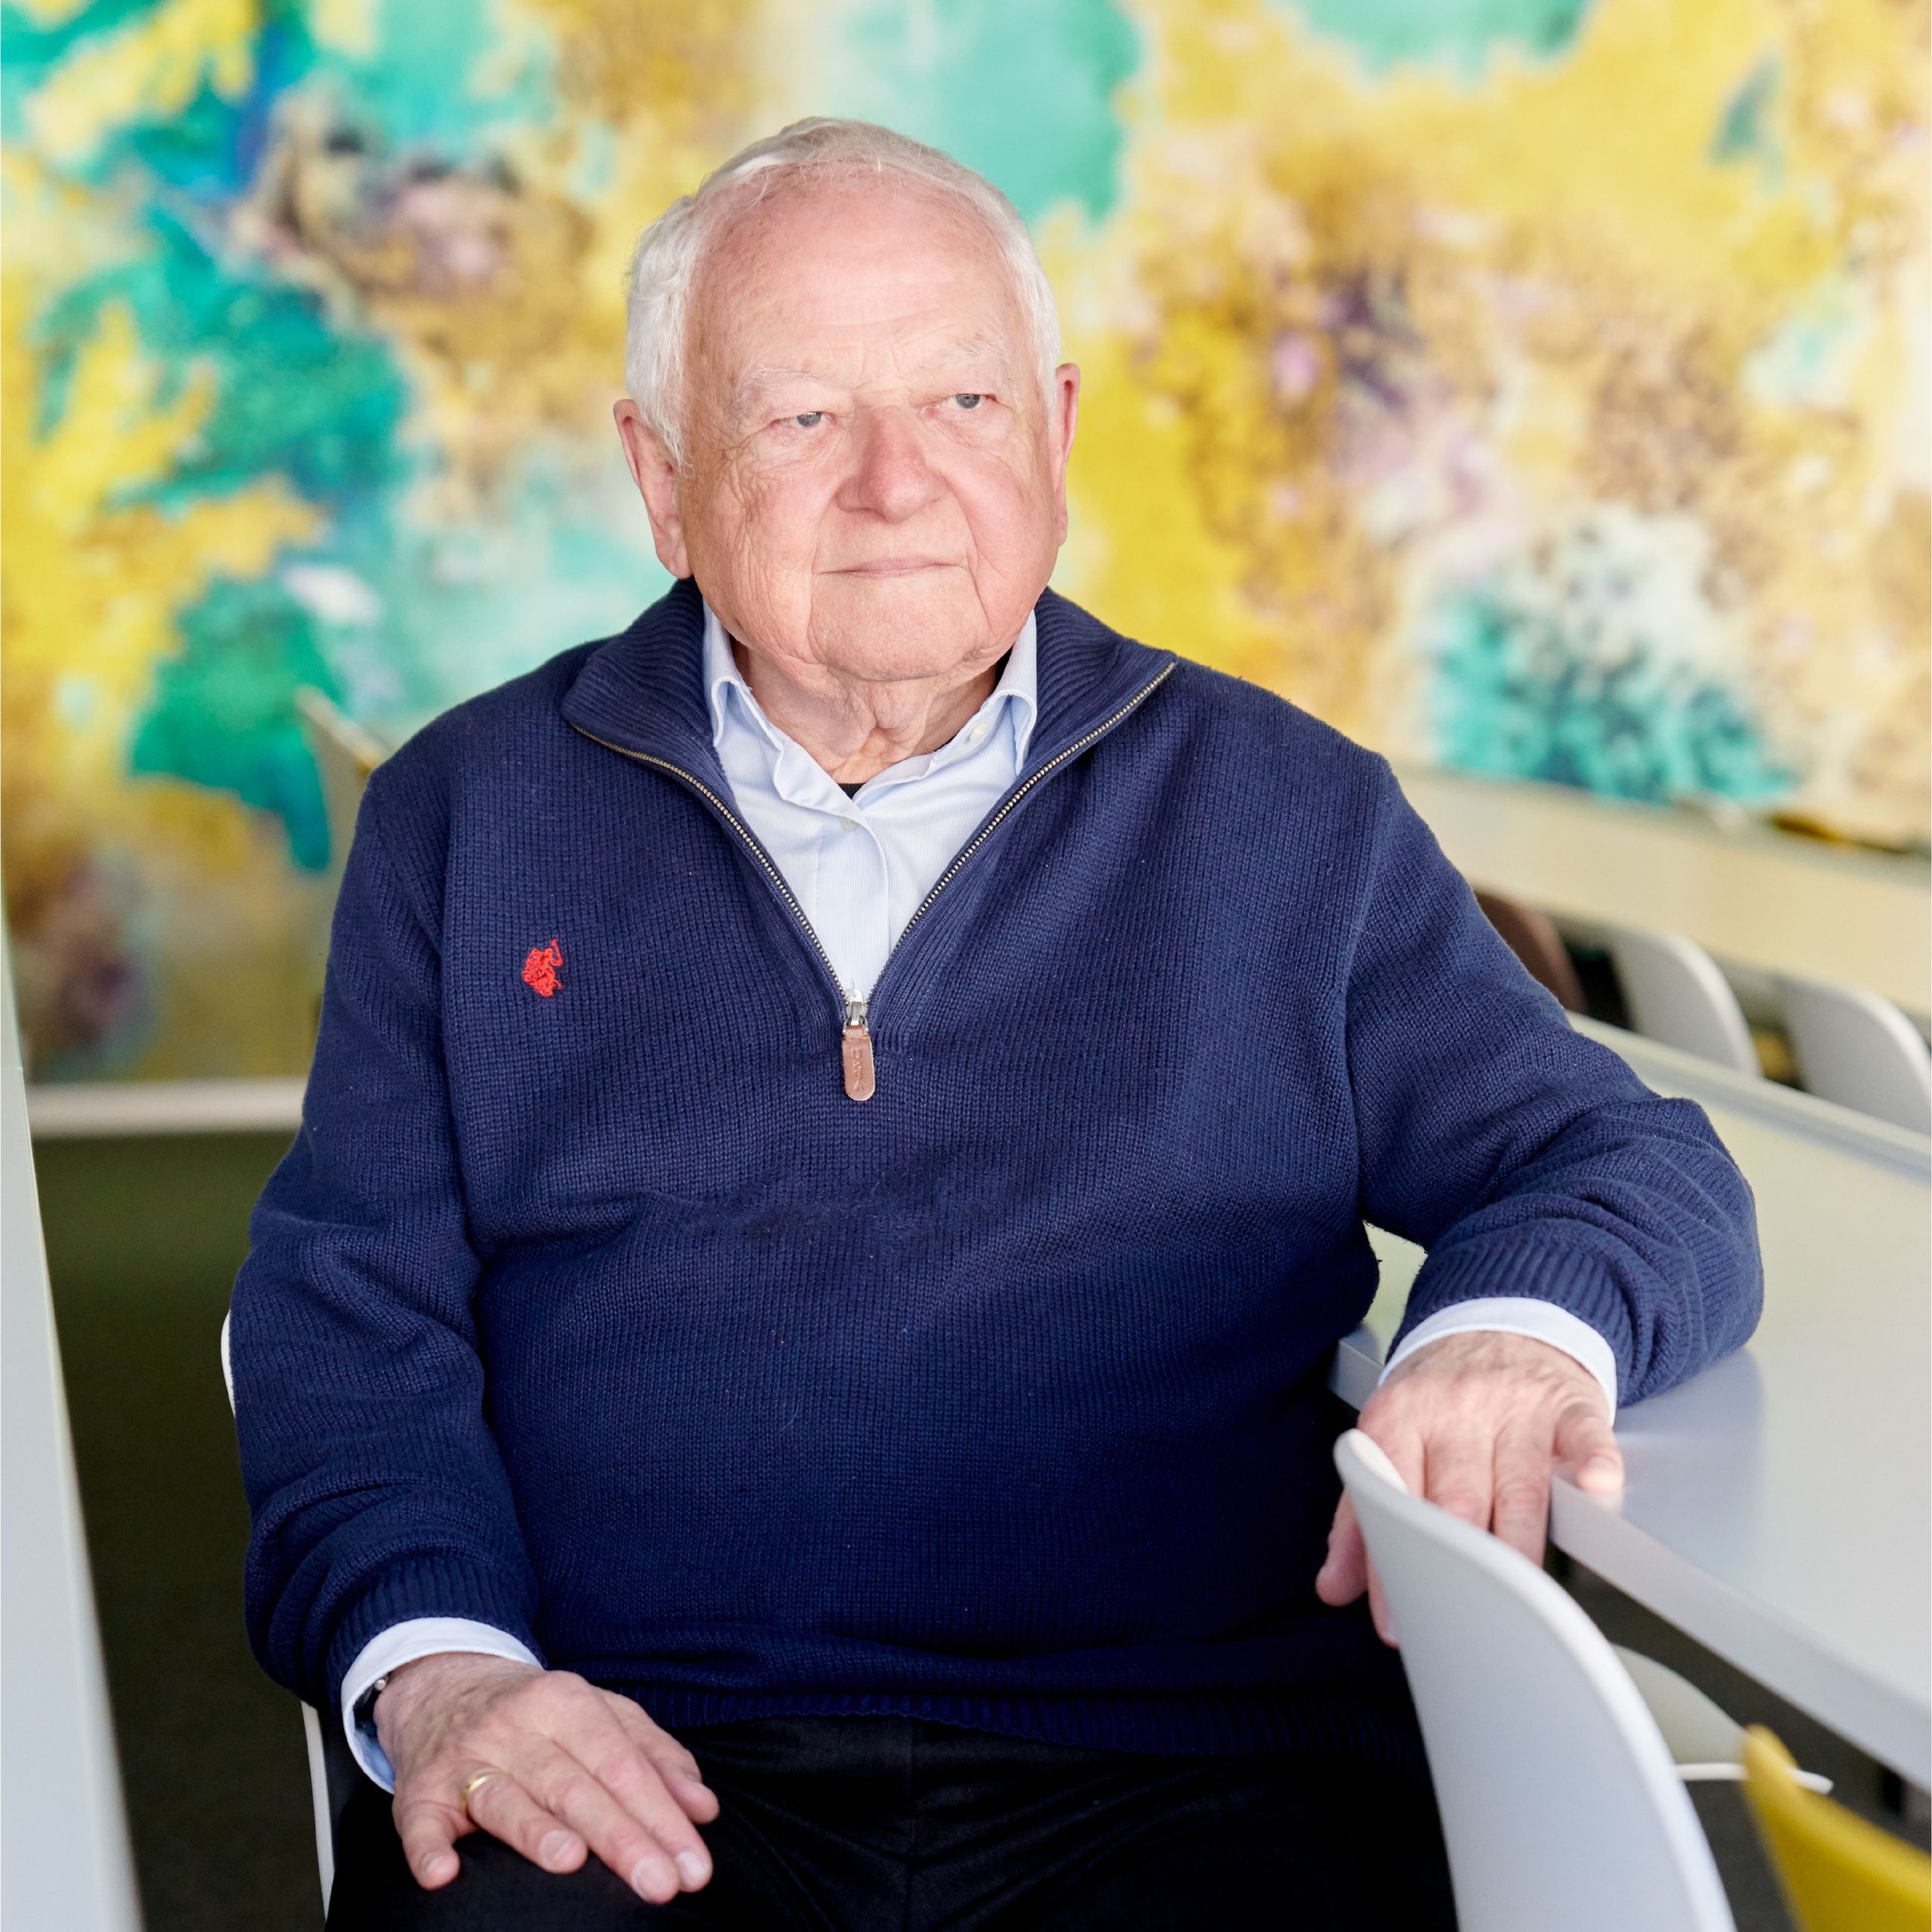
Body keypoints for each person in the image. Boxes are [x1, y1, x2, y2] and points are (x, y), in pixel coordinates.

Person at [229, 117, 1761, 1929]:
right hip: (637, 1740)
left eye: (960, 402)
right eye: (802, 415)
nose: (895, 484)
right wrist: (446, 1668)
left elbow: (1622, 1158)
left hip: (1199, 1763)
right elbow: (349, 1321)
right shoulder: (468, 815)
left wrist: (1509, 1332)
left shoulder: (1284, 812)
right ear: (661, 474)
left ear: (1053, 430)